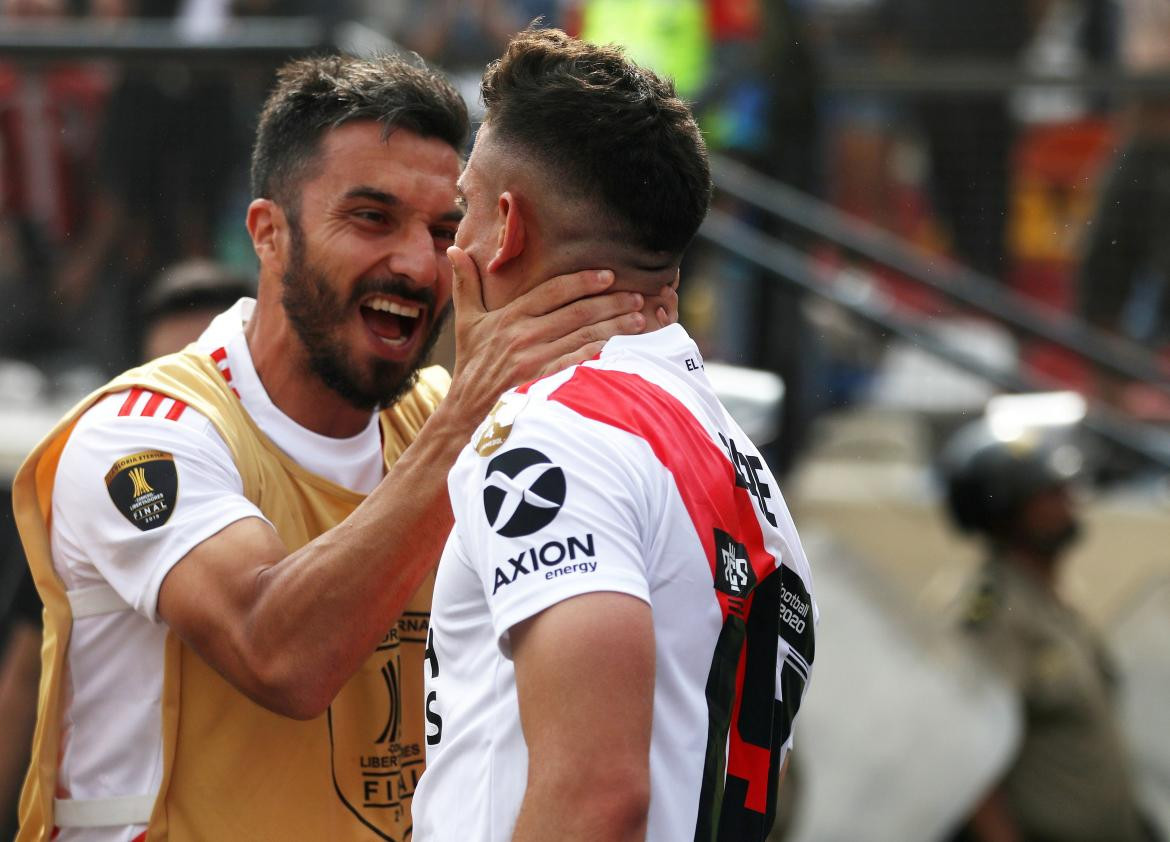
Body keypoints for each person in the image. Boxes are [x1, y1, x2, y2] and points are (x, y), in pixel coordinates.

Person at [12, 53, 666, 842]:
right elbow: (277, 653)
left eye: (442, 231)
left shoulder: (446, 419)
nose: (418, 263)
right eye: (371, 218)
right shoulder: (141, 435)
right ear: (269, 235)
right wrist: (467, 417)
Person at [412, 28, 817, 842]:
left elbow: (597, 798)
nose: (449, 249)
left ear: (508, 224)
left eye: (462, 213)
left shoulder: (555, 436)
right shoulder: (739, 459)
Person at [0, 257, 253, 839]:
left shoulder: (296, 480)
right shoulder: (90, 483)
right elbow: (22, 677)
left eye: (207, 372)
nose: (188, 402)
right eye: (169, 373)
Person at [941, 424, 1156, 842]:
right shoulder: (994, 615)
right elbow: (966, 755)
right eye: (1050, 494)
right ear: (1007, 513)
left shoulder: (1050, 601)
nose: (1069, 503)